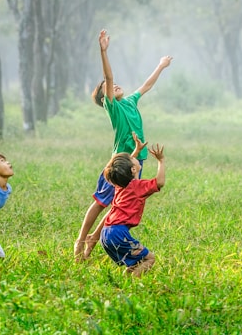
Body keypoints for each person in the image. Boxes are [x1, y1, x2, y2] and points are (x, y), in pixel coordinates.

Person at [73, 29, 172, 261]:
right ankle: (81, 241)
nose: (115, 85)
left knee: (120, 204)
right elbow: (108, 77)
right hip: (119, 163)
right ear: (104, 98)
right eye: (108, 87)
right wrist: (103, 51)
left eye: (116, 84)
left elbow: (146, 85)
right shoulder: (113, 107)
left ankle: (92, 243)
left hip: (137, 160)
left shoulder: (129, 101)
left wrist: (160, 66)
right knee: (100, 202)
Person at [100, 133, 166, 277]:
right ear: (133, 170)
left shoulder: (120, 184)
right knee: (149, 258)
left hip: (106, 233)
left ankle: (125, 280)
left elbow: (126, 167)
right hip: (118, 233)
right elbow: (160, 182)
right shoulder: (138, 187)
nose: (134, 157)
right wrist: (161, 161)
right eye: (132, 158)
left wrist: (136, 151)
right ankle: (132, 285)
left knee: (136, 262)